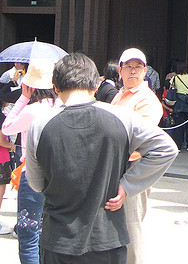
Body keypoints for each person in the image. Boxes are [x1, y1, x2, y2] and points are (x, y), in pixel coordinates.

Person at [25, 52, 177, 264]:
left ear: (56, 88)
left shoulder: (40, 124)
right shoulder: (121, 116)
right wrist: (127, 186)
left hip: (58, 238)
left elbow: (35, 182)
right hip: (108, 236)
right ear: (96, 85)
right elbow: (166, 148)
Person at [2, 59, 60, 264]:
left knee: (28, 234)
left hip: (33, 173)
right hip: (59, 174)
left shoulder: (32, 109)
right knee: (50, 232)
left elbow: (7, 128)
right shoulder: (61, 107)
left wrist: (23, 98)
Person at [112, 49, 163, 264]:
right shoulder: (120, 94)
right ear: (120, 70)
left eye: (138, 67)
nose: (133, 71)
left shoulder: (147, 100)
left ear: (145, 71)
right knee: (120, 226)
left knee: (132, 228)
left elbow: (136, 140)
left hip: (133, 169)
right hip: (119, 166)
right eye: (129, 67)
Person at [168, 61, 188, 151]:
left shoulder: (175, 78)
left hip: (178, 104)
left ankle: (178, 146)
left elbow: (171, 90)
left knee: (178, 125)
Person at [0, 109, 15, 235]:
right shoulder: (1, 117)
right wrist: (11, 145)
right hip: (1, 158)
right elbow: (1, 141)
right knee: (0, 191)